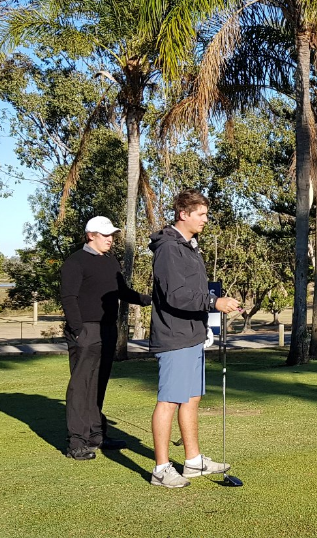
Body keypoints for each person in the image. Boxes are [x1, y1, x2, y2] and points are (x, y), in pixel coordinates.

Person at [147, 190, 242, 488]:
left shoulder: (189, 247)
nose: (205, 219)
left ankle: (193, 461)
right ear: (183, 214)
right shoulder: (168, 249)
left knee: (191, 398)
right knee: (169, 401)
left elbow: (196, 291)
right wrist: (214, 303)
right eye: (200, 214)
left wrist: (211, 313)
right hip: (174, 336)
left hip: (192, 334)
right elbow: (175, 295)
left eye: (206, 214)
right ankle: (161, 469)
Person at [59, 215, 152, 460]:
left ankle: (96, 435)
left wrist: (147, 299)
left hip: (108, 329)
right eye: (105, 235)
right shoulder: (75, 262)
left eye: (112, 235)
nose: (110, 239)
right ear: (91, 236)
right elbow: (68, 298)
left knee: (98, 384)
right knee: (81, 386)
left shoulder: (111, 262)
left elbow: (121, 291)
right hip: (86, 331)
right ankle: (76, 442)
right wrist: (78, 330)